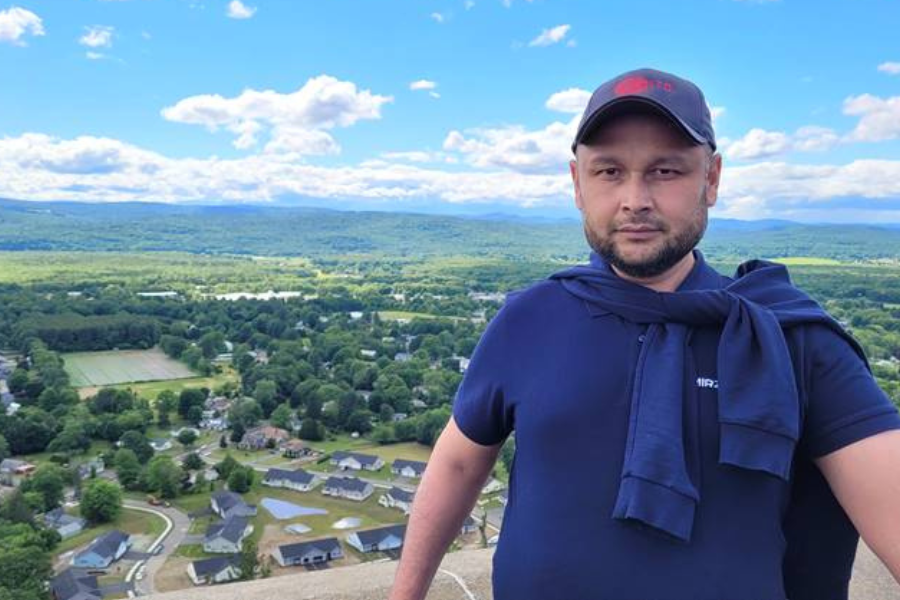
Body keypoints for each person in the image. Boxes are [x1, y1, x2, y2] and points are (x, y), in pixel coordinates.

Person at [388, 68, 900, 600]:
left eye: (666, 171)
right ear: (577, 184)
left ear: (712, 179)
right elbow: (457, 461)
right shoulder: (528, 320)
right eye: (609, 171)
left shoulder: (787, 338)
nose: (635, 199)